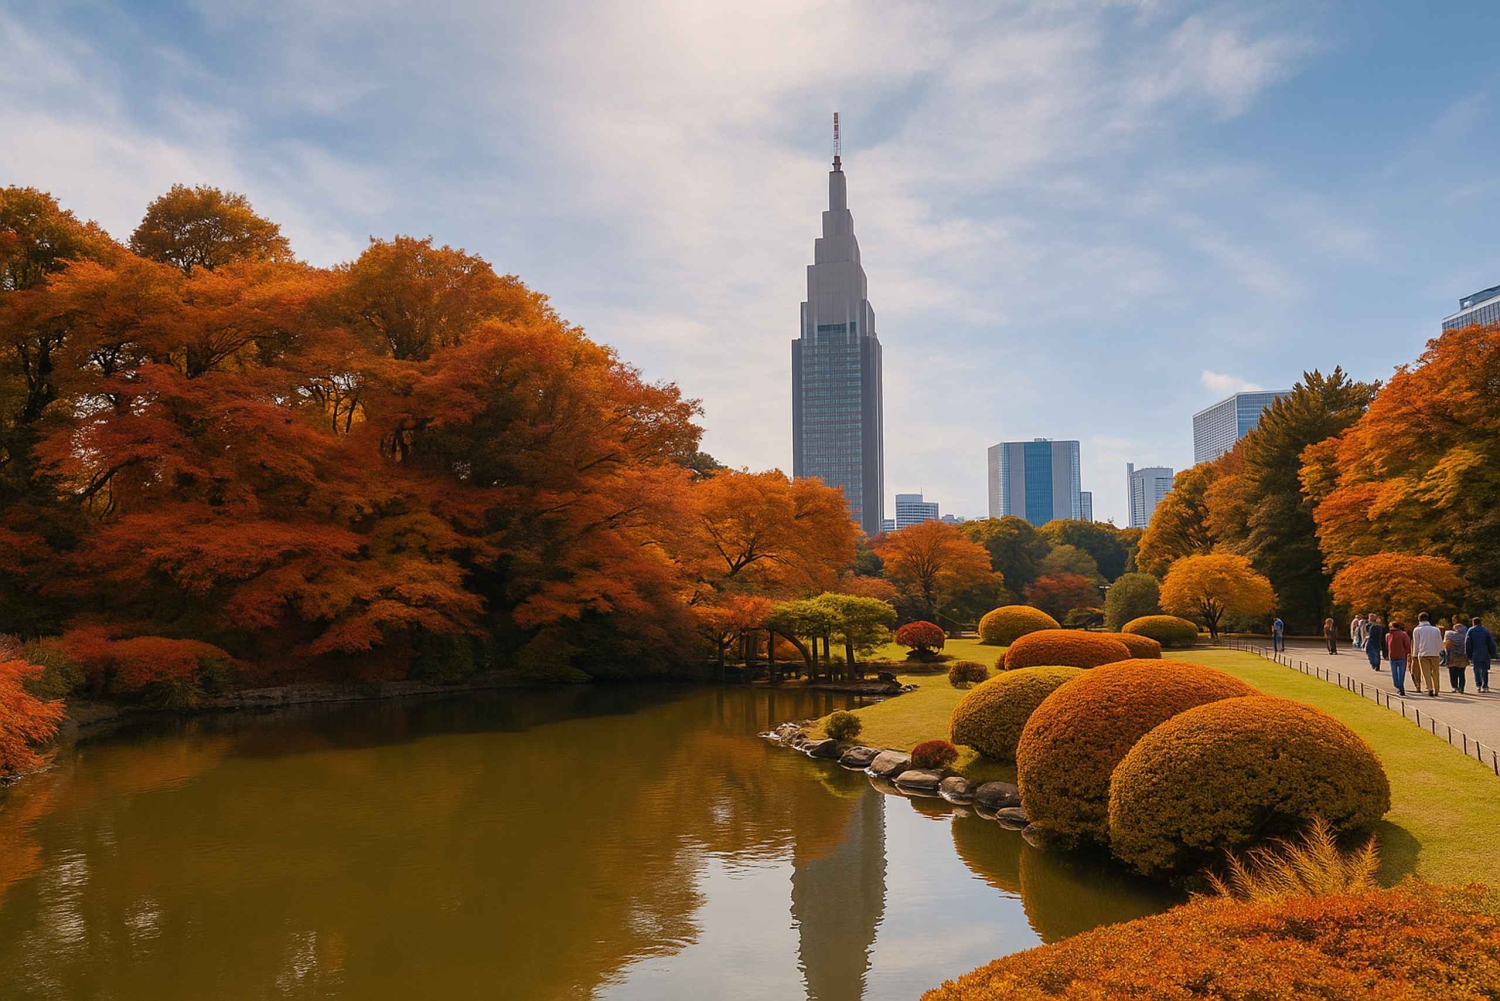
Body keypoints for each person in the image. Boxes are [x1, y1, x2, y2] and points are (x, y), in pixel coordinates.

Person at [1411, 612, 1444, 697]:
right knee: (1435, 672)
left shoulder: (1417, 630)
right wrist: (1441, 650)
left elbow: (1416, 643)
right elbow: (1439, 641)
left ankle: (1430, 688)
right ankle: (1437, 689)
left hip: (1423, 653)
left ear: (1419, 619)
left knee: (1426, 672)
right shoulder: (1435, 629)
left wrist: (1414, 654)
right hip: (1435, 653)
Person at [1466, 617, 1495, 694]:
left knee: (1476, 670)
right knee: (1485, 670)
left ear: (1473, 622)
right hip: (1485, 652)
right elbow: (1491, 643)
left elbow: (1467, 643)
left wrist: (1468, 654)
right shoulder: (1485, 631)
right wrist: (1492, 653)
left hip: (1475, 653)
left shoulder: (1470, 631)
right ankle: (1485, 686)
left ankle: (1478, 685)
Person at [1386, 620, 1411, 697]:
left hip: (1392, 656)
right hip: (1402, 656)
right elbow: (1407, 645)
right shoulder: (1403, 634)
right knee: (1401, 673)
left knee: (1394, 673)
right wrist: (1408, 653)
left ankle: (1398, 686)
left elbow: (1387, 645)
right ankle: (1401, 687)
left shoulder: (1388, 635)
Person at [1445, 620, 1469, 694]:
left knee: (1453, 672)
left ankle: (1454, 687)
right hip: (1463, 656)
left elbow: (1446, 644)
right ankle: (1461, 688)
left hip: (1453, 656)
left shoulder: (1450, 634)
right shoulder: (1466, 636)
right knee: (1461, 673)